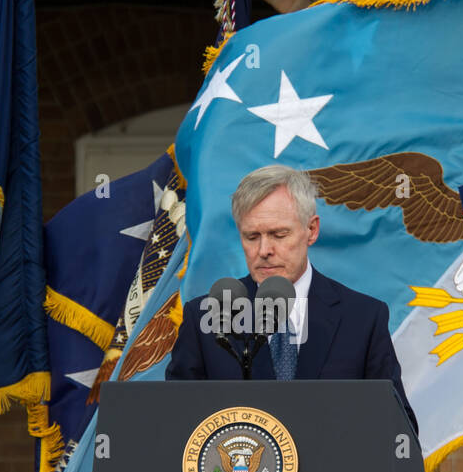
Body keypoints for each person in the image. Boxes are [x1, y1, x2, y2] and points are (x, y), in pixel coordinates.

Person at [166, 164, 419, 435]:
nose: (264, 250)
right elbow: (175, 424)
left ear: (311, 230)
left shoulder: (363, 318)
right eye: (252, 237)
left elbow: (397, 430)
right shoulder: (206, 317)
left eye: (278, 234)